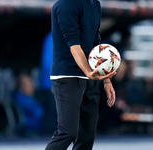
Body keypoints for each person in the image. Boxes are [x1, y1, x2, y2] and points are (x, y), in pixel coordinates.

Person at [45, 0, 116, 150]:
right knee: (67, 132)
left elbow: (96, 43)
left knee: (87, 136)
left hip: (90, 76)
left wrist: (107, 80)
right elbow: (74, 45)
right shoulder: (65, 4)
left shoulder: (94, 4)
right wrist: (89, 73)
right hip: (67, 76)